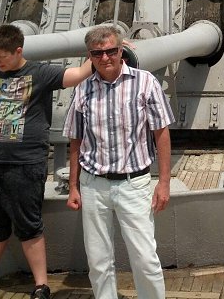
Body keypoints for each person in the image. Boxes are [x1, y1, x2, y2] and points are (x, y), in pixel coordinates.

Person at [63, 25, 174, 299]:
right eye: (97, 53)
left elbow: (161, 134)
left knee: (145, 258)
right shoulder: (83, 89)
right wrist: (74, 186)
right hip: (93, 184)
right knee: (98, 261)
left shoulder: (145, 82)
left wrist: (164, 183)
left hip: (133, 183)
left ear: (121, 50)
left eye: (111, 51)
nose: (105, 58)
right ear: (89, 56)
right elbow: (76, 139)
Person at [0, 23, 94, 299]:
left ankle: (41, 285)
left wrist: (102, 51)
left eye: (2, 57)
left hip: (25, 164)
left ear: (18, 51)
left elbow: (78, 75)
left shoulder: (39, 73)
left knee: (29, 226)